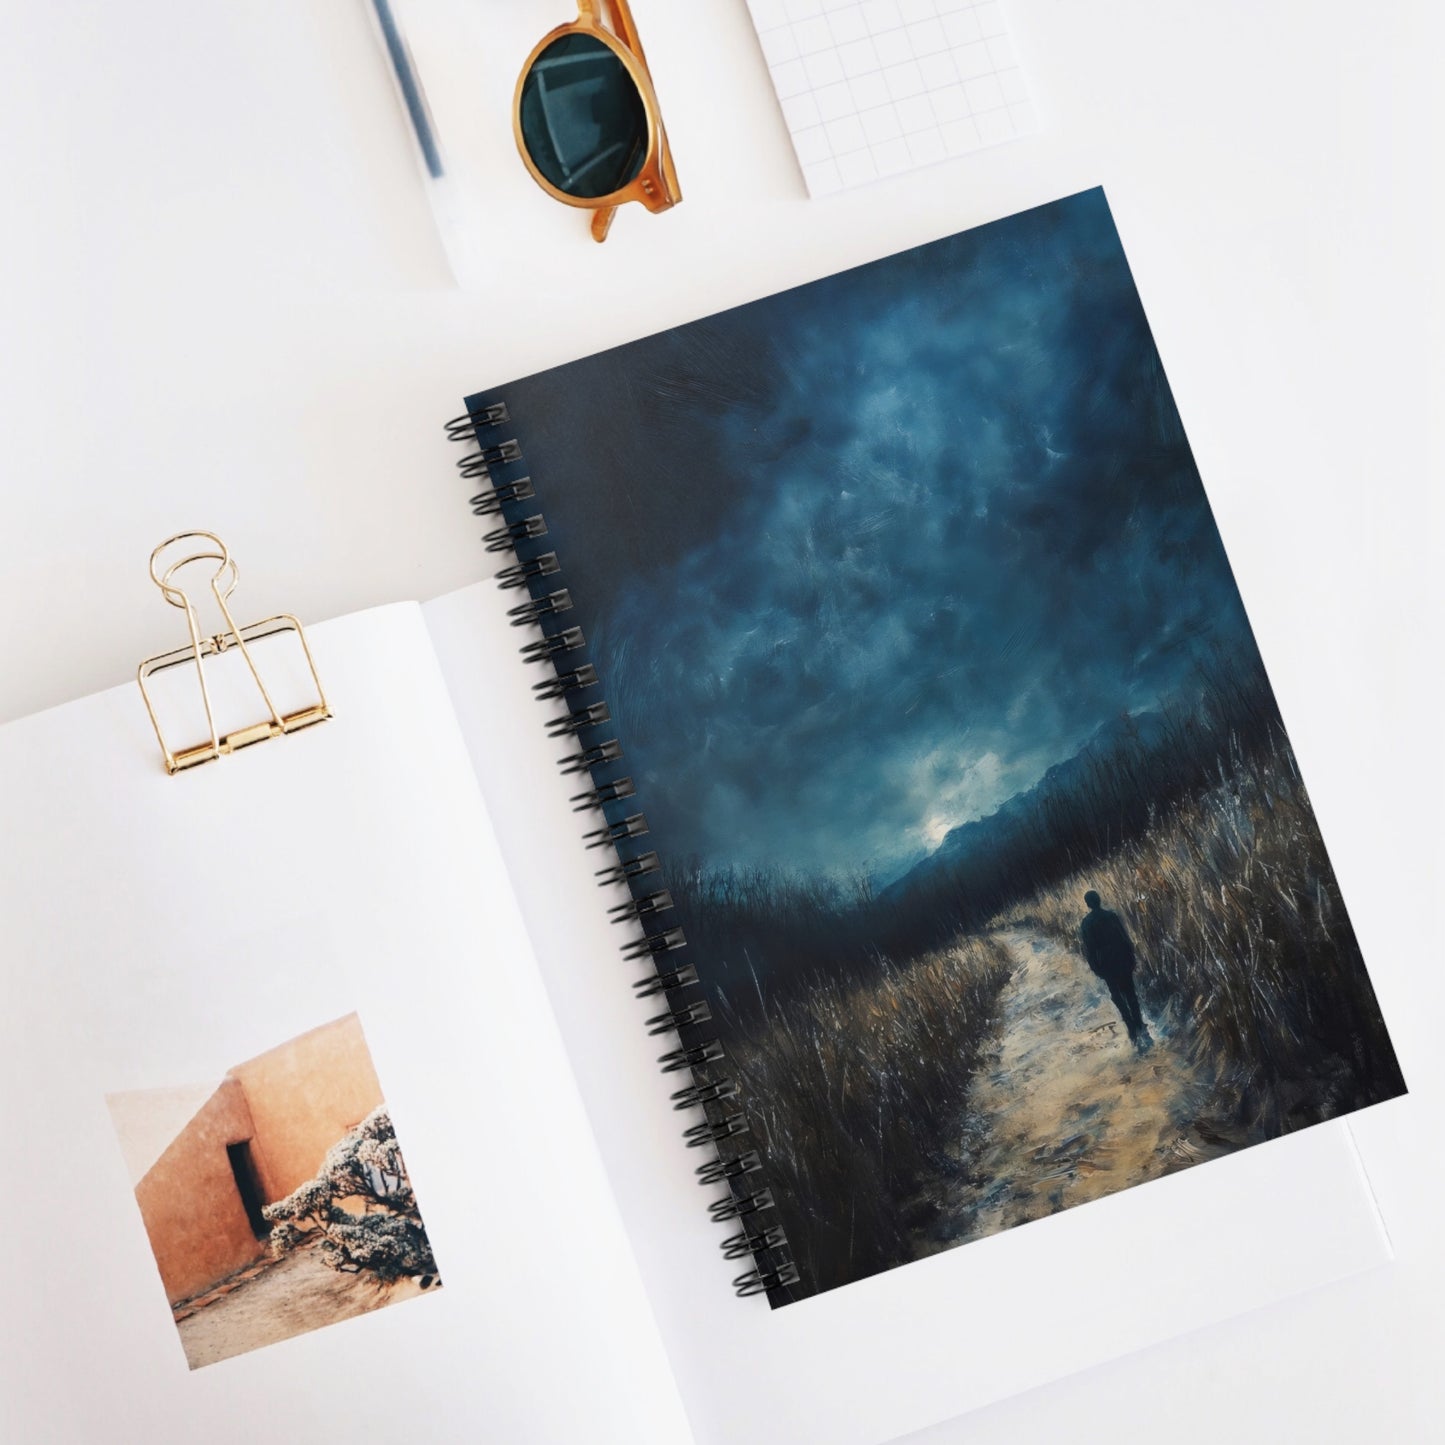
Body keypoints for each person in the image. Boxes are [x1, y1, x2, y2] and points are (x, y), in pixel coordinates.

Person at [1079, 890, 1152, 1052]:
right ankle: (1139, 1023)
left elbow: (1089, 950)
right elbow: (1124, 938)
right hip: (1121, 959)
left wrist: (1096, 968)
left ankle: (1131, 1025)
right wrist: (1131, 957)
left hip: (1106, 964)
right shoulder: (1111, 916)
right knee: (1130, 992)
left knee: (1117, 996)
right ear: (1099, 900)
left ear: (1088, 904)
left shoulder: (1086, 923)